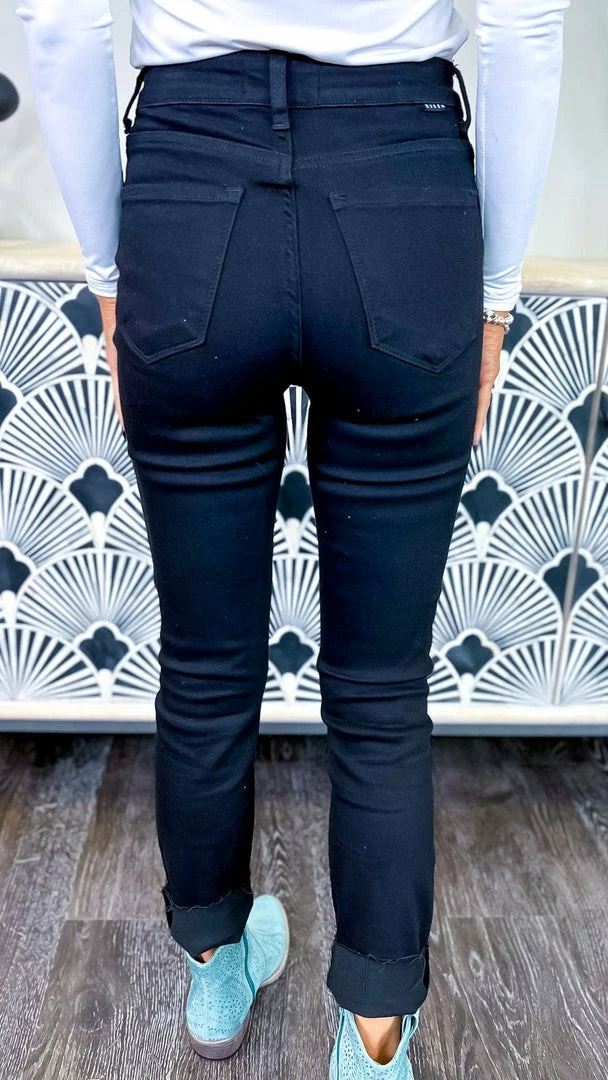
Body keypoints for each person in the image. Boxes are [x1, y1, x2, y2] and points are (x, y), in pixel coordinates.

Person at [16, 1, 570, 1076]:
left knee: (205, 659)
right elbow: (525, 25)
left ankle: (215, 964)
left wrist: (111, 278)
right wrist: (493, 298)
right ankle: (373, 1033)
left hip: (189, 189)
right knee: (381, 681)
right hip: (401, 186)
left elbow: (60, 21)